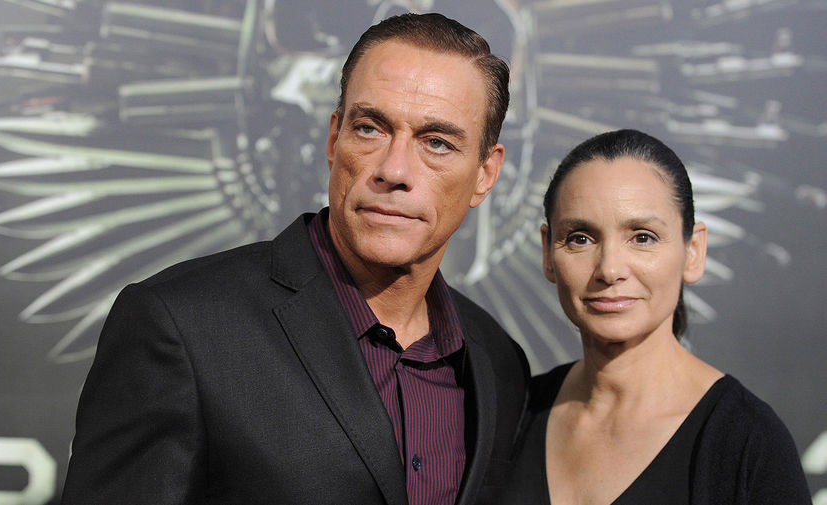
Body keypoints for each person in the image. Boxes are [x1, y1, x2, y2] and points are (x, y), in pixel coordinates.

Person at [61, 12, 531, 505]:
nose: (395, 170)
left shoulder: (497, 363)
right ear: (333, 140)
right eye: (370, 128)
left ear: (485, 174)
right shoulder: (183, 326)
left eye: (436, 143)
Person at [502, 129, 811, 505]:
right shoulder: (509, 417)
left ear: (693, 252)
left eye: (642, 237)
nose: (610, 269)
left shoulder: (748, 444)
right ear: (548, 254)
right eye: (581, 238)